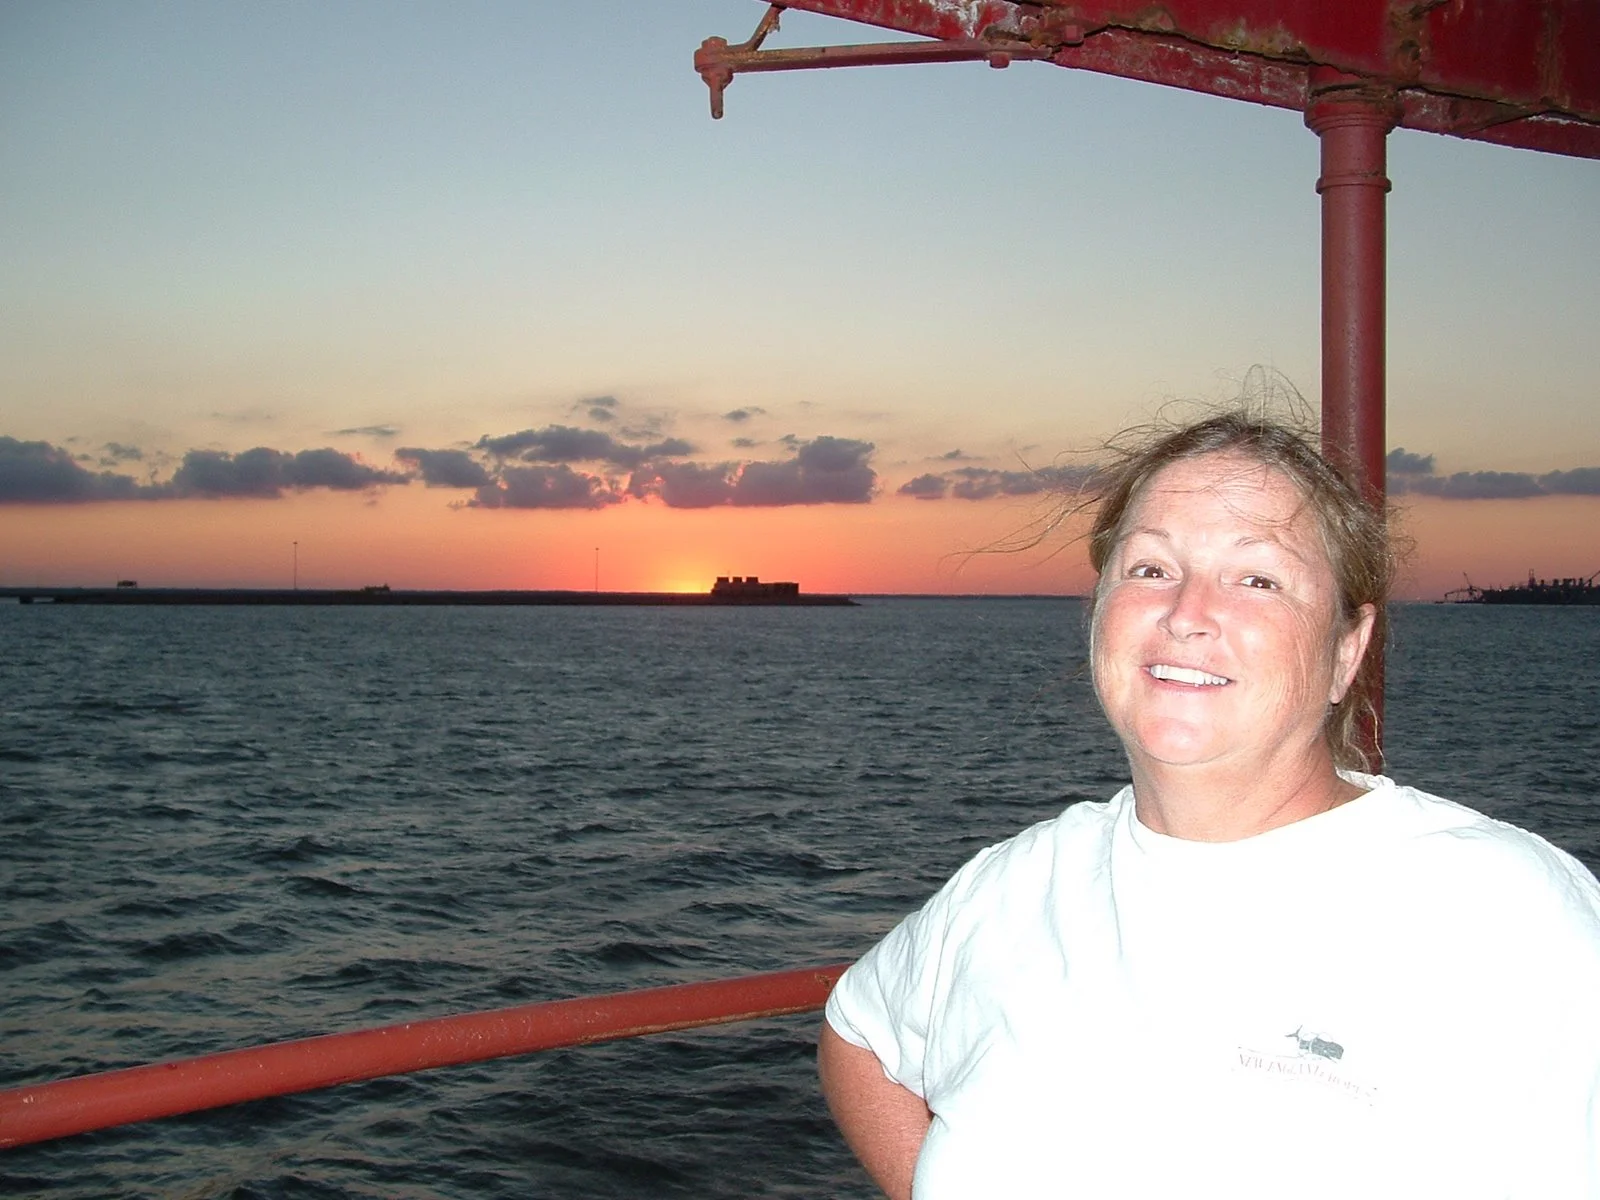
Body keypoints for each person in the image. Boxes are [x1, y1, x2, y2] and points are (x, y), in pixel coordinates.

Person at [819, 410, 1600, 1199]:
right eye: (1150, 568)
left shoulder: (1511, 917)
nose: (1186, 614)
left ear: (1345, 651)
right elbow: (858, 1039)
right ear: (1097, 616)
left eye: (1257, 579)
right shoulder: (1011, 887)